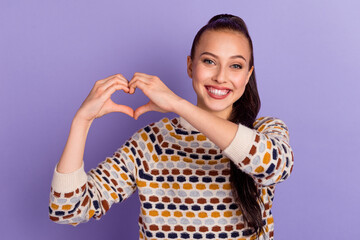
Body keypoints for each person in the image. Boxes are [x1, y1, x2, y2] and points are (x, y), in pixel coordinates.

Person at [49, 14, 294, 240]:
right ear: (190, 66)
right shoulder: (151, 142)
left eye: (236, 66)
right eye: (209, 61)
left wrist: (179, 104)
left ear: (248, 75)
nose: (221, 77)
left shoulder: (264, 130)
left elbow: (274, 166)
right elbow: (68, 210)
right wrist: (81, 121)